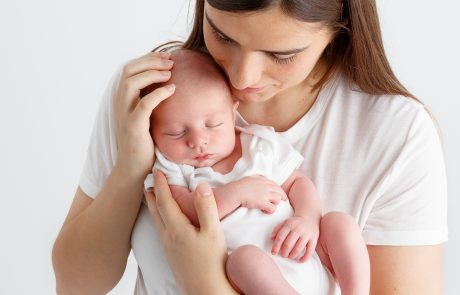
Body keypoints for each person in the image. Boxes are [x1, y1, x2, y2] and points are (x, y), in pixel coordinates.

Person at [52, 0, 448, 294]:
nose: (242, 77)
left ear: (340, 26)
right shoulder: (154, 97)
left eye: (281, 55)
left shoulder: (397, 135)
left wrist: (207, 283)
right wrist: (131, 165)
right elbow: (76, 285)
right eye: (223, 35)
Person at [142, 49, 369, 294]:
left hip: (306, 254)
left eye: (213, 124)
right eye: (176, 132)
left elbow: (298, 184)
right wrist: (237, 193)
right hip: (261, 279)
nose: (198, 141)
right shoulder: (173, 168)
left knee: (340, 224)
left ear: (232, 113)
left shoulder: (259, 143)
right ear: (152, 134)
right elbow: (185, 215)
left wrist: (307, 220)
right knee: (243, 261)